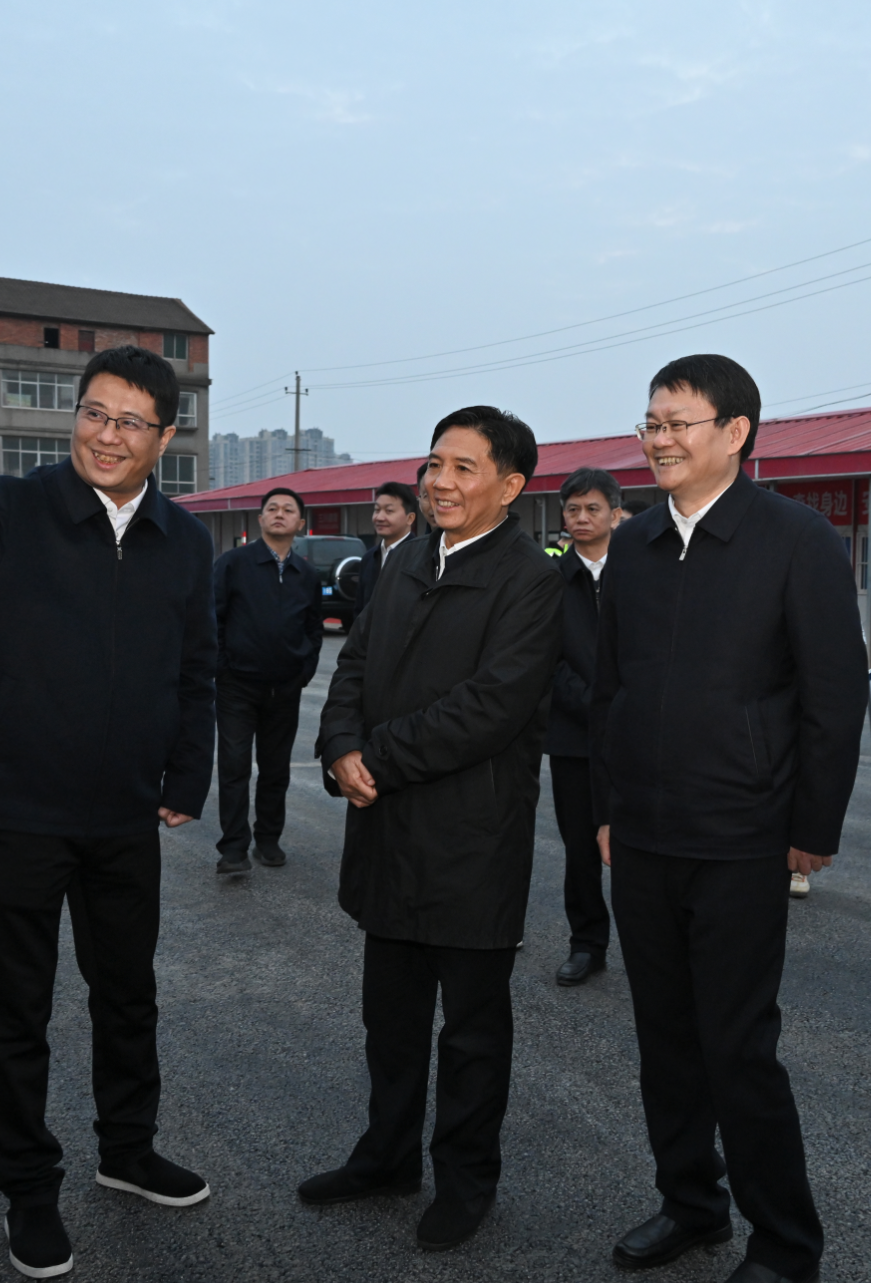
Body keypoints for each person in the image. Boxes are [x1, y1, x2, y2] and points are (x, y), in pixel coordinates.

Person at [0, 345, 215, 1280]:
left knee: (127, 992)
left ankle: (127, 1149)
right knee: (16, 1006)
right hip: (15, 810)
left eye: (130, 421)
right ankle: (29, 1190)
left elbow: (196, 670)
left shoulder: (185, 541)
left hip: (124, 815)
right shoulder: (8, 508)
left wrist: (185, 778)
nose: (107, 435)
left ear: (164, 437)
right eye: (94, 412)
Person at [591, 355, 866, 1283]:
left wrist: (812, 826)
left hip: (741, 836)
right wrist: (606, 808)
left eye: (678, 423)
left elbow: (832, 694)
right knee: (664, 1041)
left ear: (736, 432)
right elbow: (608, 688)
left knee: (737, 1047)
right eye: (651, 423)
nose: (658, 440)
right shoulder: (633, 543)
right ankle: (690, 1203)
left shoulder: (795, 539)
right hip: (643, 835)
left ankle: (784, 1243)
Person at [303, 407, 562, 1252]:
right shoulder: (406, 557)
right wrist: (338, 745)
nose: (438, 482)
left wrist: (372, 756)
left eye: (462, 468)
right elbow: (352, 665)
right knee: (390, 1018)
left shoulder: (532, 578)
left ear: (510, 486)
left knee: (472, 1031)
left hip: (471, 837)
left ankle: (464, 1181)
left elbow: (491, 707)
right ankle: (384, 1157)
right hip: (386, 826)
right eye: (432, 464)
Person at [212, 486, 325, 875]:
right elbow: (213, 618)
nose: (279, 514)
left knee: (276, 769)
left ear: (300, 523)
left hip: (285, 688)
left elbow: (314, 628)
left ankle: (268, 840)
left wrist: (304, 670)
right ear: (260, 519)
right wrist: (222, 668)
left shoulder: (306, 574)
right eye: (272, 508)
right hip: (237, 687)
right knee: (234, 766)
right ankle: (233, 848)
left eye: (288, 510)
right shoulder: (233, 564)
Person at [546, 467, 621, 987]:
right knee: (579, 847)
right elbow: (544, 658)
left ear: (615, 514)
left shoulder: (639, 572)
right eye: (573, 509)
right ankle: (587, 943)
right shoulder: (550, 579)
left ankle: (650, 944)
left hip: (634, 734)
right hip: (573, 736)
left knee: (637, 845)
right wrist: (593, 703)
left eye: (593, 508)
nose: (582, 518)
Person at [356, 480, 419, 613]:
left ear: (410, 518)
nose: (379, 517)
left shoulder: (422, 557)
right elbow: (360, 609)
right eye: (377, 510)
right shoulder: (368, 558)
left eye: (389, 511)